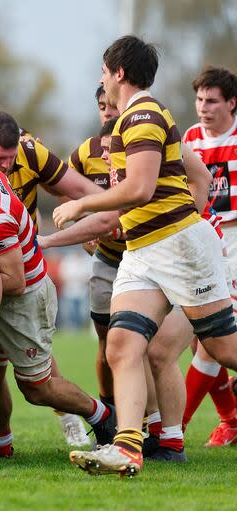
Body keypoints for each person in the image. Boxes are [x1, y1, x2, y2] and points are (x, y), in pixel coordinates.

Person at [59, 35, 237, 477]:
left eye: (104, 70)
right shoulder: (131, 121)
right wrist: (176, 216)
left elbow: (138, 189)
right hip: (142, 252)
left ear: (118, 72)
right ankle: (128, 447)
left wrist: (83, 204)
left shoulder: (142, 114)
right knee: (121, 346)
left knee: (221, 347)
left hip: (175, 249)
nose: (101, 77)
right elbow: (196, 177)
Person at [0, 128, 116, 459]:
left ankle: (104, 416)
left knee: (37, 389)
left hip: (23, 299)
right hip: (1, 294)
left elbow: (14, 281)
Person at [181, 66, 237, 447]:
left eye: (212, 100)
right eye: (199, 99)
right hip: (203, 241)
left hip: (234, 241)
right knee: (196, 337)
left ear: (232, 103)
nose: (203, 107)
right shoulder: (189, 138)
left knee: (211, 340)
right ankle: (231, 420)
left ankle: (173, 428)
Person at [66, 86, 120, 409]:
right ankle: (110, 411)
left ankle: (152, 423)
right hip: (108, 258)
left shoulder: (143, 143)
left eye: (112, 105)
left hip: (144, 256)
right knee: (106, 341)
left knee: (144, 345)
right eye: (102, 106)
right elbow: (63, 186)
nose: (107, 112)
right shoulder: (86, 151)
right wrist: (81, 226)